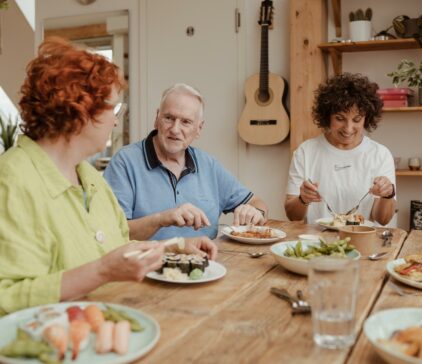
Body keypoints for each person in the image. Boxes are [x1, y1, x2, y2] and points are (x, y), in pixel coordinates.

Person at [0, 38, 217, 315]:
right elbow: (6, 298)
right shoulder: (12, 180)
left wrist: (174, 246)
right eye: (112, 109)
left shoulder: (88, 175)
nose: (116, 121)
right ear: (81, 110)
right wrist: (101, 271)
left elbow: (118, 245)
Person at [104, 83, 268, 241]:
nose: (175, 129)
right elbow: (113, 233)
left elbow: (258, 203)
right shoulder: (125, 162)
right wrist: (162, 218)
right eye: (169, 118)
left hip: (208, 266)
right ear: (157, 118)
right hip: (148, 266)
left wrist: (255, 211)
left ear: (199, 128)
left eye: (186, 122)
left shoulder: (208, 165)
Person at [284, 73, 396, 225]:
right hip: (317, 242)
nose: (348, 129)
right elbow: (293, 216)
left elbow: (382, 220)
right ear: (327, 116)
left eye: (357, 120)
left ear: (366, 118)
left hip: (363, 241)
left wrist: (387, 195)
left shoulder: (380, 154)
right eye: (340, 118)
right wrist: (303, 199)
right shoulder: (306, 152)